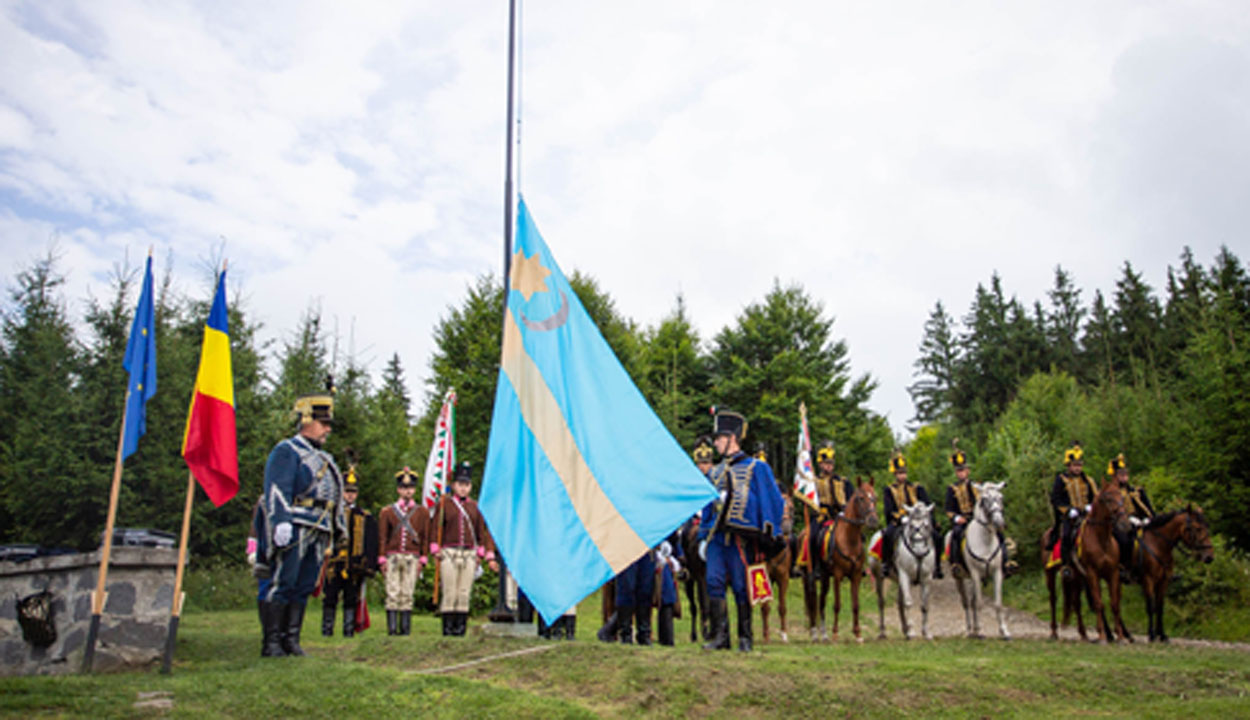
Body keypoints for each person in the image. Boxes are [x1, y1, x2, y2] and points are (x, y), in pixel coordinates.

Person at [261, 382, 346, 657]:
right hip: (295, 524)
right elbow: (277, 488)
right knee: (283, 582)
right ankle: (272, 641)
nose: (327, 429)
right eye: (323, 423)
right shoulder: (287, 451)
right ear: (306, 421)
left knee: (305, 585)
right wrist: (281, 519)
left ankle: (291, 639)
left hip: (319, 527)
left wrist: (337, 526)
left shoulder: (325, 458)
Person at [696, 408, 785, 652]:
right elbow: (706, 508)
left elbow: (772, 501)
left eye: (719, 438)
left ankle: (745, 637)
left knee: (740, 585)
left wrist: (761, 528)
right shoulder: (713, 472)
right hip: (717, 538)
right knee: (713, 582)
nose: (715, 443)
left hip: (741, 539)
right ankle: (720, 637)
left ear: (732, 439)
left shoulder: (756, 468)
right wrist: (703, 537)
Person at [430, 462, 499, 636]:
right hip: (449, 552)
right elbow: (435, 528)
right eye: (460, 484)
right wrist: (435, 548)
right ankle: (448, 628)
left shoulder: (475, 507)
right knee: (450, 591)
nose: (463, 488)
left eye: (466, 485)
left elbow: (479, 532)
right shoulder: (445, 504)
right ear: (454, 486)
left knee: (463, 592)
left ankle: (460, 628)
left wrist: (480, 552)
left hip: (469, 553)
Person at [321, 465, 378, 637]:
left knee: (350, 598)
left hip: (354, 566)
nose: (350, 495)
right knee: (330, 597)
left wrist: (368, 566)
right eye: (347, 491)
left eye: (353, 491)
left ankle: (348, 630)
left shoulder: (364, 516)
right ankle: (327, 629)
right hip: (334, 563)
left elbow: (370, 543)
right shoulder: (331, 513)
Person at [944, 440, 1015, 576]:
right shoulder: (951, 488)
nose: (961, 473)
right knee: (956, 535)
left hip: (978, 520)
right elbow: (948, 509)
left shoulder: (978, 486)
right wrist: (957, 518)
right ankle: (956, 564)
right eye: (958, 471)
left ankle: (1005, 562)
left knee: (999, 532)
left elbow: (986, 504)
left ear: (968, 471)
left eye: (963, 470)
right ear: (955, 472)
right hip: (963, 521)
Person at [378, 467, 427, 636]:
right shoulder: (388, 512)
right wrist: (382, 558)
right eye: (404, 488)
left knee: (407, 592)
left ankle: (405, 629)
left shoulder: (422, 512)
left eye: (411, 488)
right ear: (399, 490)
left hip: (411, 557)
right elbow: (383, 537)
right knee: (392, 592)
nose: (408, 491)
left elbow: (424, 536)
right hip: (393, 556)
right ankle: (392, 629)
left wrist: (423, 558)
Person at [882, 449, 943, 579]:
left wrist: (932, 521)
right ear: (895, 474)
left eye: (903, 472)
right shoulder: (889, 490)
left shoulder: (917, 488)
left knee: (937, 536)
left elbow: (928, 506)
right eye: (899, 473)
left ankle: (937, 565)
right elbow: (888, 510)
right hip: (901, 522)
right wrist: (900, 518)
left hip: (918, 521)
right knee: (887, 535)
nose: (902, 476)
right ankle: (886, 564)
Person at [805, 440, 856, 580]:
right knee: (813, 536)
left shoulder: (843, 481)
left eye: (831, 464)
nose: (829, 466)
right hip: (823, 516)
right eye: (826, 464)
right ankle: (816, 567)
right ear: (820, 464)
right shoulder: (814, 482)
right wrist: (817, 511)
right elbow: (810, 502)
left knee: (857, 535)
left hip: (841, 516)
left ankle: (857, 564)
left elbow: (852, 500)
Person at [1049, 441, 1098, 569]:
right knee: (1066, 536)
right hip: (1070, 516)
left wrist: (1091, 505)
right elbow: (1055, 498)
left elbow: (1095, 497)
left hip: (1087, 515)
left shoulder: (1088, 480)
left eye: (1079, 465)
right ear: (1069, 466)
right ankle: (1066, 566)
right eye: (1075, 465)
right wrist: (1067, 510)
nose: (1077, 468)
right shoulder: (1061, 479)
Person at [1109, 453, 1151, 580]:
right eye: (1121, 474)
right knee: (1125, 541)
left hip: (1140, 521)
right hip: (1120, 523)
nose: (1125, 477)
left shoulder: (1136, 491)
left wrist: (1148, 518)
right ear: (1115, 477)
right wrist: (1129, 519)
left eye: (1126, 474)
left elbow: (1148, 507)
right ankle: (1125, 568)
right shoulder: (1111, 492)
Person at [247, 494, 274, 656]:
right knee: (265, 591)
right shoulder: (263, 501)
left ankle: (281, 635)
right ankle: (268, 635)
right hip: (264, 553)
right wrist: (252, 550)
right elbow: (254, 529)